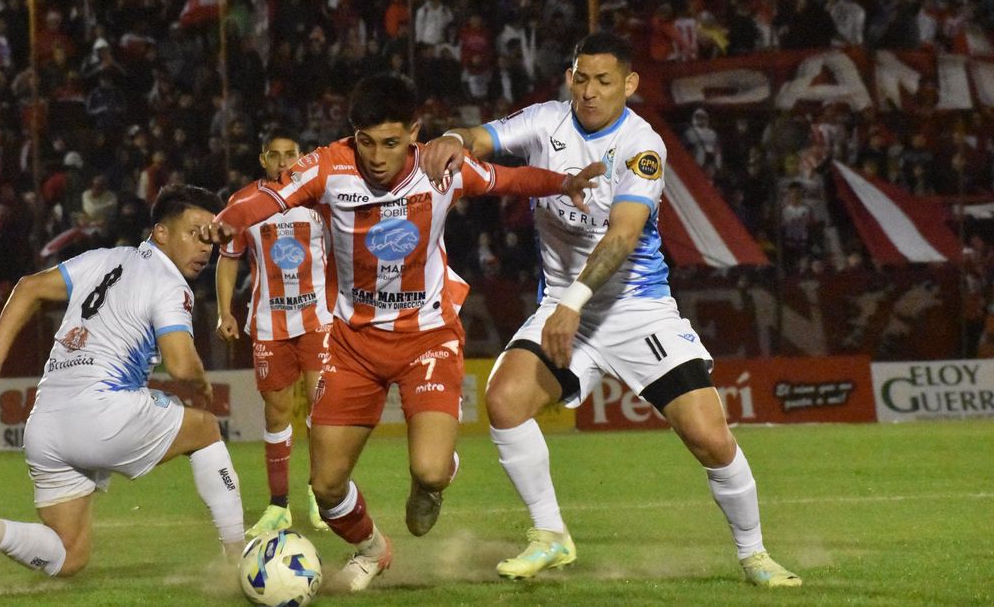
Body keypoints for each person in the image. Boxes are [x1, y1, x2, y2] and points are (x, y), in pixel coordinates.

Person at [419, 32, 802, 587]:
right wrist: (453, 138)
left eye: (603, 81)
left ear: (629, 83)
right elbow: (483, 137)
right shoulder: (546, 121)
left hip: (635, 310)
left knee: (710, 439)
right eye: (581, 79)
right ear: (569, 79)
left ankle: (755, 555)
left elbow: (622, 235)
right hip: (563, 307)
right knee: (504, 401)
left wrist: (573, 304)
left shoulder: (642, 145)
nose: (590, 92)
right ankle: (550, 534)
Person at [203, 72, 603, 592]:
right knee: (326, 487)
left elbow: (507, 180)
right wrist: (230, 220)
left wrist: (563, 183)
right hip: (351, 345)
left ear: (414, 132)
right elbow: (268, 198)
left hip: (428, 340)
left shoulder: (442, 167)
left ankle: (432, 481)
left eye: (390, 143)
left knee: (430, 471)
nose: (376, 156)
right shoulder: (328, 166)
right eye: (366, 142)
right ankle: (373, 549)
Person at [0, 185, 245, 594]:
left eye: (210, 237)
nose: (205, 247)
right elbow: (180, 363)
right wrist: (202, 381)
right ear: (161, 233)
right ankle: (240, 560)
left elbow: (29, 287)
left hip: (45, 425)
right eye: (194, 233)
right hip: (102, 412)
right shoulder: (170, 282)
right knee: (205, 429)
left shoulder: (102, 259)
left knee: (69, 555)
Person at [215, 128, 333, 538]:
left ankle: (322, 495)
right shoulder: (244, 204)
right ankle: (279, 504)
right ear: (263, 159)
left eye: (291, 154)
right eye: (275, 155)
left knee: (323, 408)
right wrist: (225, 311)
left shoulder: (320, 200)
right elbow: (229, 257)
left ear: (302, 157)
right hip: (269, 323)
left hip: (318, 320)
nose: (284, 162)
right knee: (277, 411)